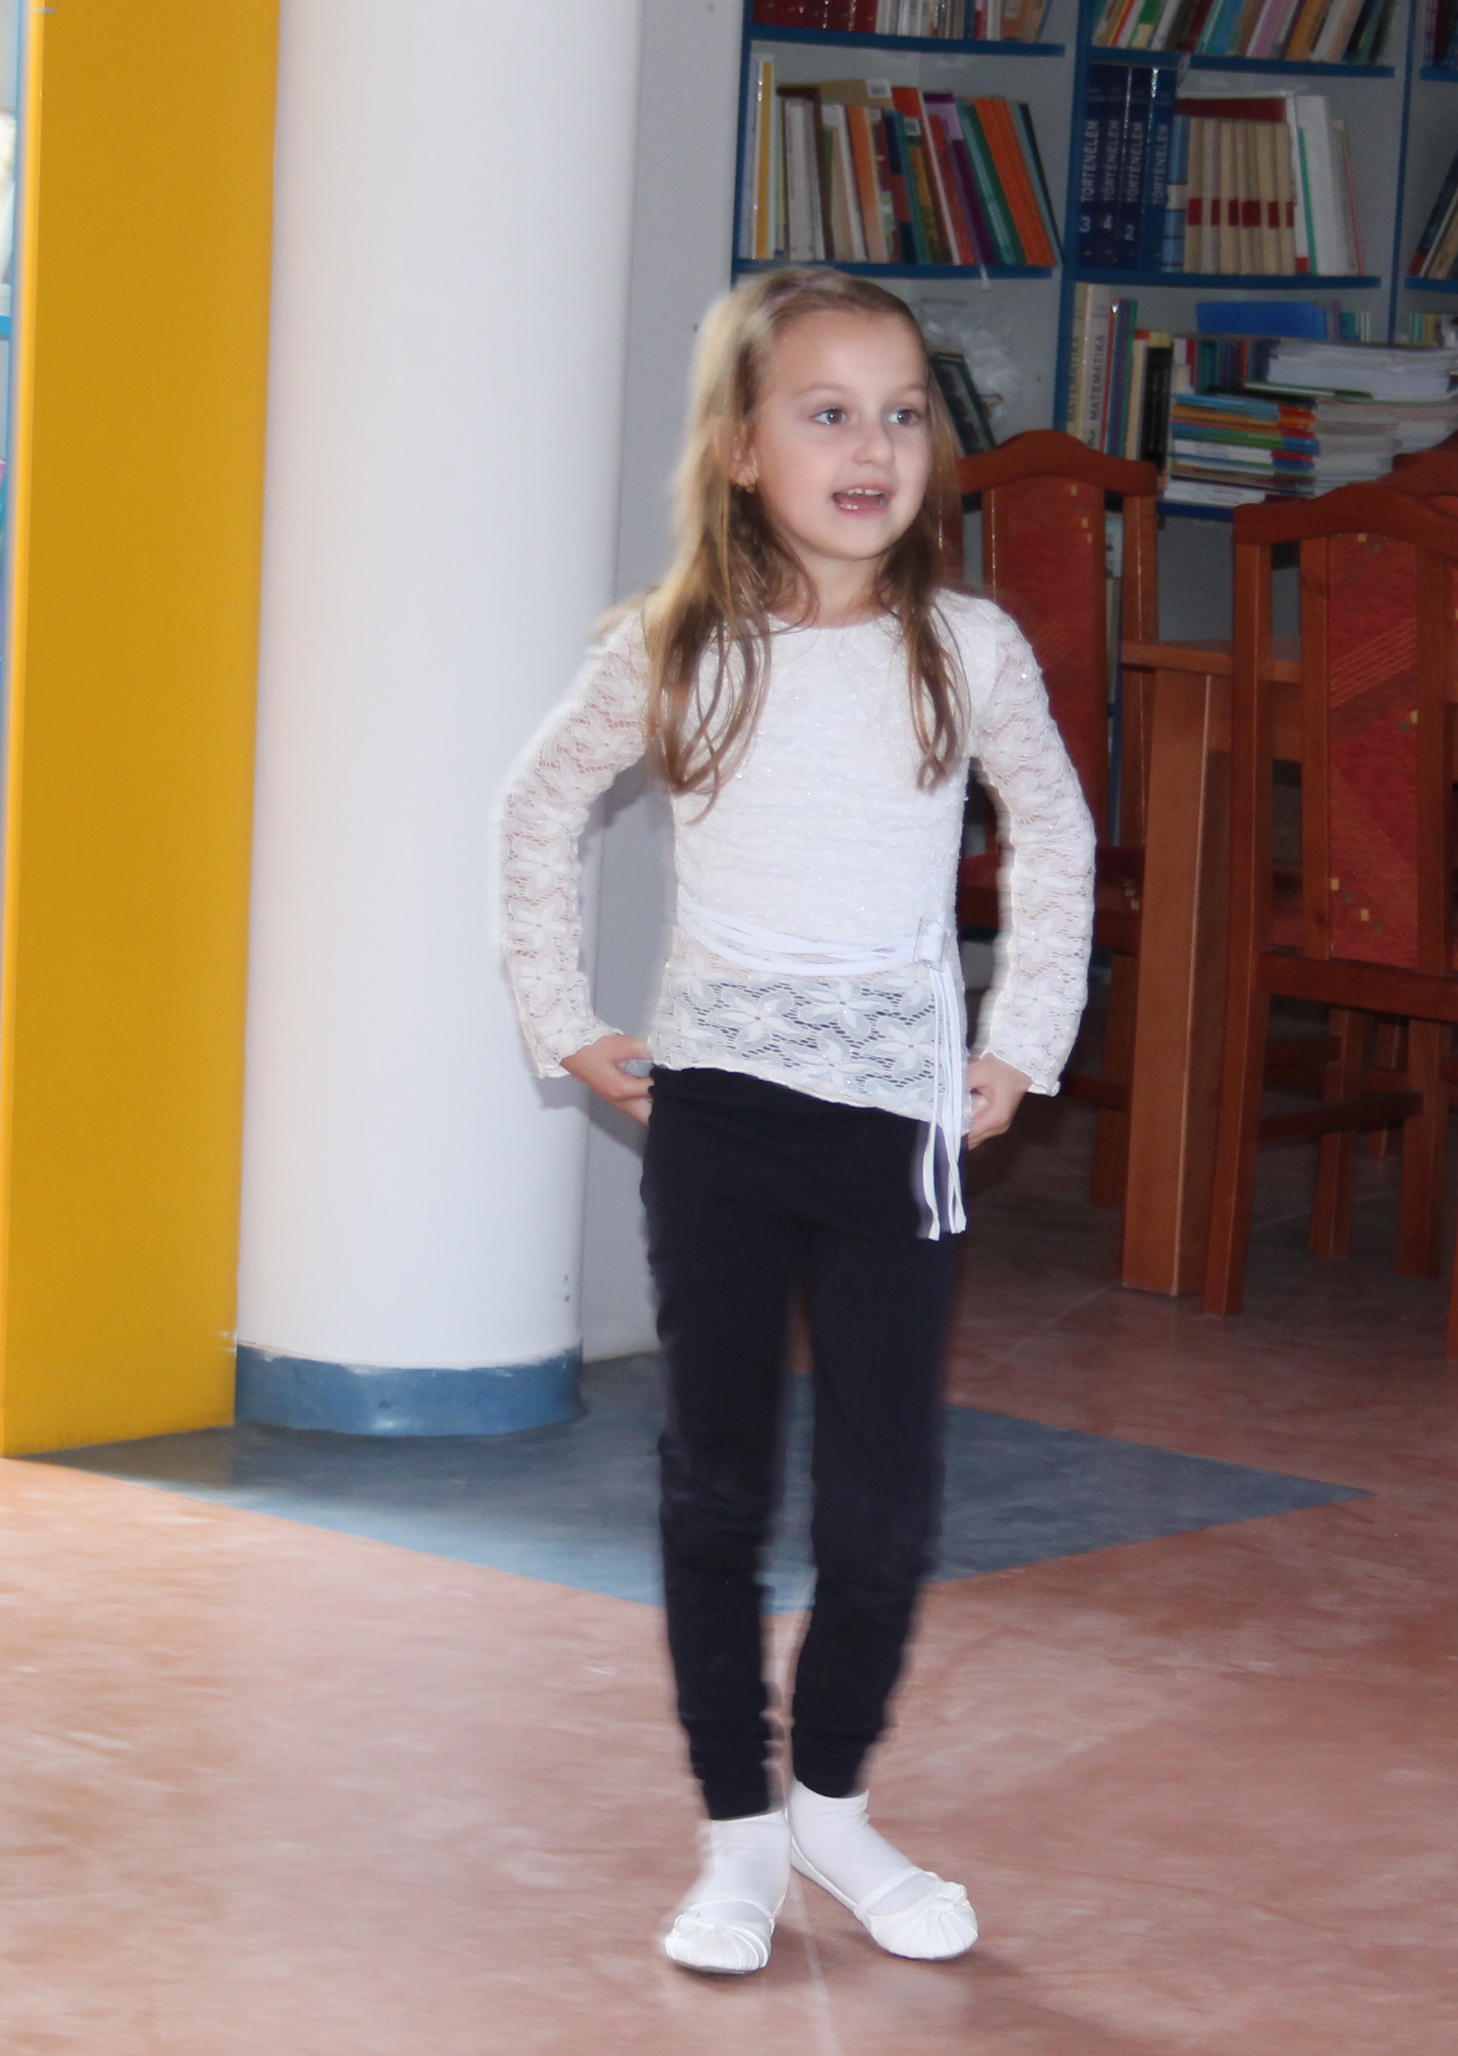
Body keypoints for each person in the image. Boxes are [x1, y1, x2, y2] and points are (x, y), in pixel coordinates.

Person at [495, 267, 1094, 1973]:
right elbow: (535, 810)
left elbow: (1055, 833)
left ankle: (832, 1801)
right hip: (719, 1121)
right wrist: (563, 1020)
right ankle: (740, 1838)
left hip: (896, 1122)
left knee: (883, 1498)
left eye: (902, 414)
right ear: (744, 448)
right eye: (828, 414)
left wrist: (1021, 1041)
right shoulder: (674, 647)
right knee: (716, 1481)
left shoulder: (966, 648)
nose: (872, 448)